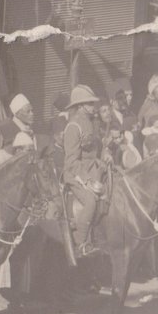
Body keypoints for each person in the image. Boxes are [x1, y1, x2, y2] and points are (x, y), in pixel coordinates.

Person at [59, 84, 110, 255]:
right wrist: (87, 180)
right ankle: (80, 242)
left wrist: (105, 155)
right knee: (90, 200)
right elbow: (72, 161)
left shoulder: (92, 122)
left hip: (95, 168)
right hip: (76, 174)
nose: (92, 106)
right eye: (89, 103)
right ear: (80, 105)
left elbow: (98, 146)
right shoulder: (73, 127)